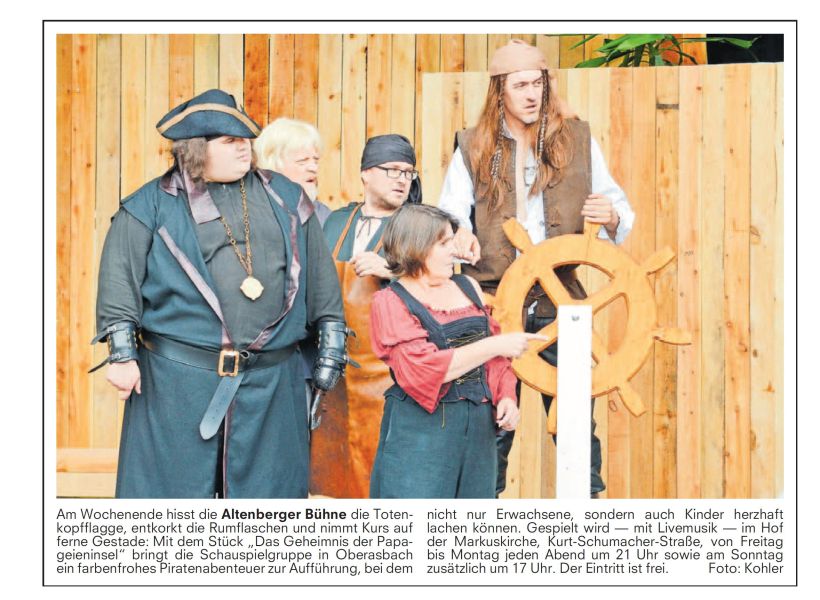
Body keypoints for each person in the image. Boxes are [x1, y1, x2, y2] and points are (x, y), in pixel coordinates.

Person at [91, 89, 350, 498]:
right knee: (169, 514)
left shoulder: (286, 197)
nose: (244, 148)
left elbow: (321, 279)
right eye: (230, 141)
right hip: (177, 385)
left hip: (271, 387)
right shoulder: (148, 206)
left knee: (268, 513)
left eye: (246, 139)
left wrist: (332, 344)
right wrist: (122, 356)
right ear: (196, 148)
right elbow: (118, 280)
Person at [437, 39, 636, 498]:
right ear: (499, 92)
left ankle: (583, 517)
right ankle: (481, 519)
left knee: (575, 427)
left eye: (537, 84)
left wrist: (610, 216)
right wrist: (459, 233)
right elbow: (449, 214)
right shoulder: (472, 147)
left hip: (560, 305)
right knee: (491, 423)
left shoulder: (578, 141)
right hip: (493, 307)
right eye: (520, 85)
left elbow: (619, 210)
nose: (531, 94)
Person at [368, 204, 544, 498]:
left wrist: (506, 397)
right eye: (444, 243)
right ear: (417, 246)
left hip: (478, 432)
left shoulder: (468, 286)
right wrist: (493, 345)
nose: (454, 250)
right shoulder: (390, 301)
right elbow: (422, 370)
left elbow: (497, 362)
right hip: (421, 433)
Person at [310, 135, 421, 498]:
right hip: (332, 372)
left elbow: (442, 288)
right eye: (392, 170)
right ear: (366, 173)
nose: (401, 179)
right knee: (328, 471)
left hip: (386, 374)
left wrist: (393, 271)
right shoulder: (336, 221)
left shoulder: (419, 225)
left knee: (380, 475)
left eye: (407, 172)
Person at [254, 117, 332, 225]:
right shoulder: (251, 211)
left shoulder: (323, 215)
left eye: (316, 160)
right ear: (273, 165)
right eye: (302, 161)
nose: (314, 168)